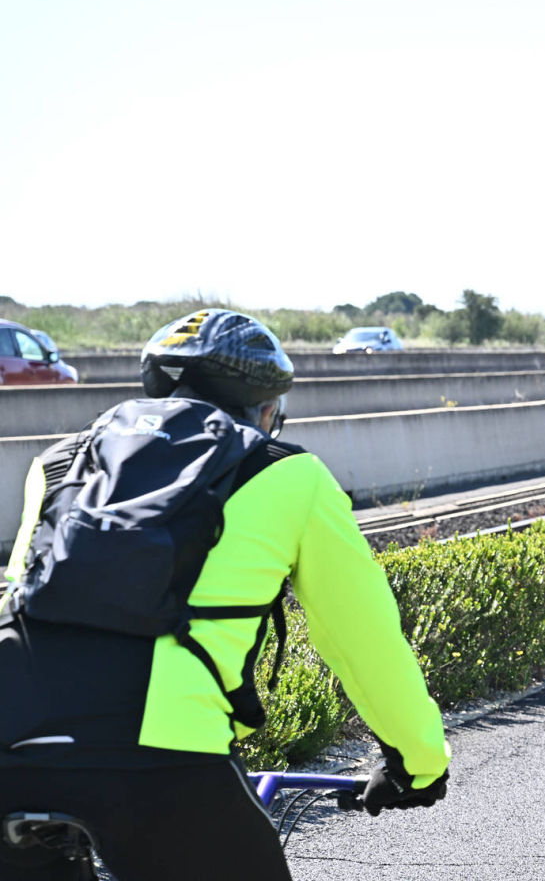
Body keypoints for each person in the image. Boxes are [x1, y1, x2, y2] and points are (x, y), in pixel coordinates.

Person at [1, 310, 449, 881]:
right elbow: (364, 639)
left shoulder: (60, 463)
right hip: (164, 759)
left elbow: (18, 599)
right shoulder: (288, 474)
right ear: (266, 409)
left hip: (11, 737)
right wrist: (418, 762)